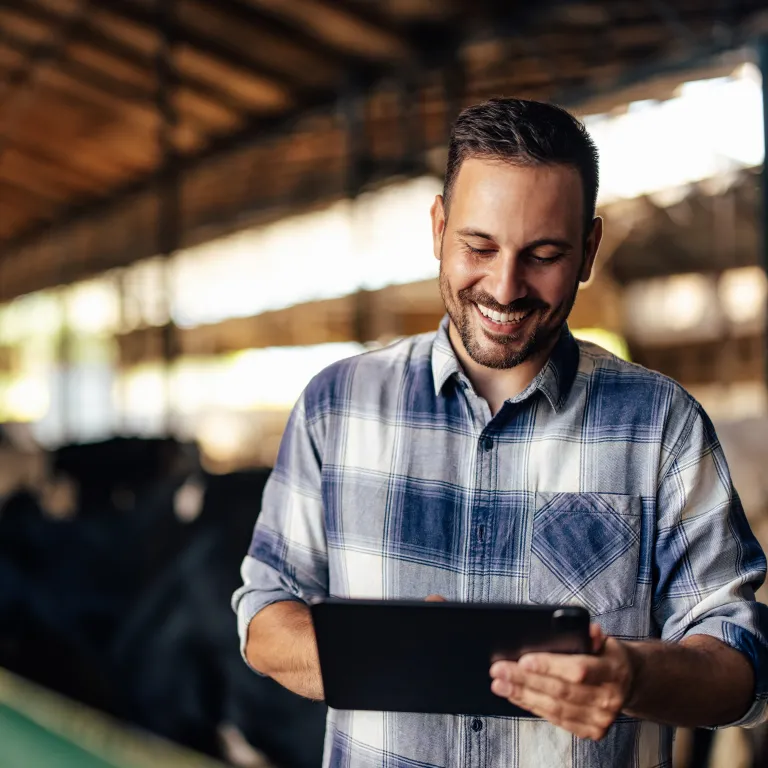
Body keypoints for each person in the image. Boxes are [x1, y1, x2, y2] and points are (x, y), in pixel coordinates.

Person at [232, 98, 768, 767]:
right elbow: (263, 617)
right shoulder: (335, 408)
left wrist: (633, 674)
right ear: (437, 228)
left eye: (543, 254)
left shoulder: (661, 424)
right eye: (479, 247)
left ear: (589, 250)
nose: (506, 288)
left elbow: (740, 656)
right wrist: (381, 650)